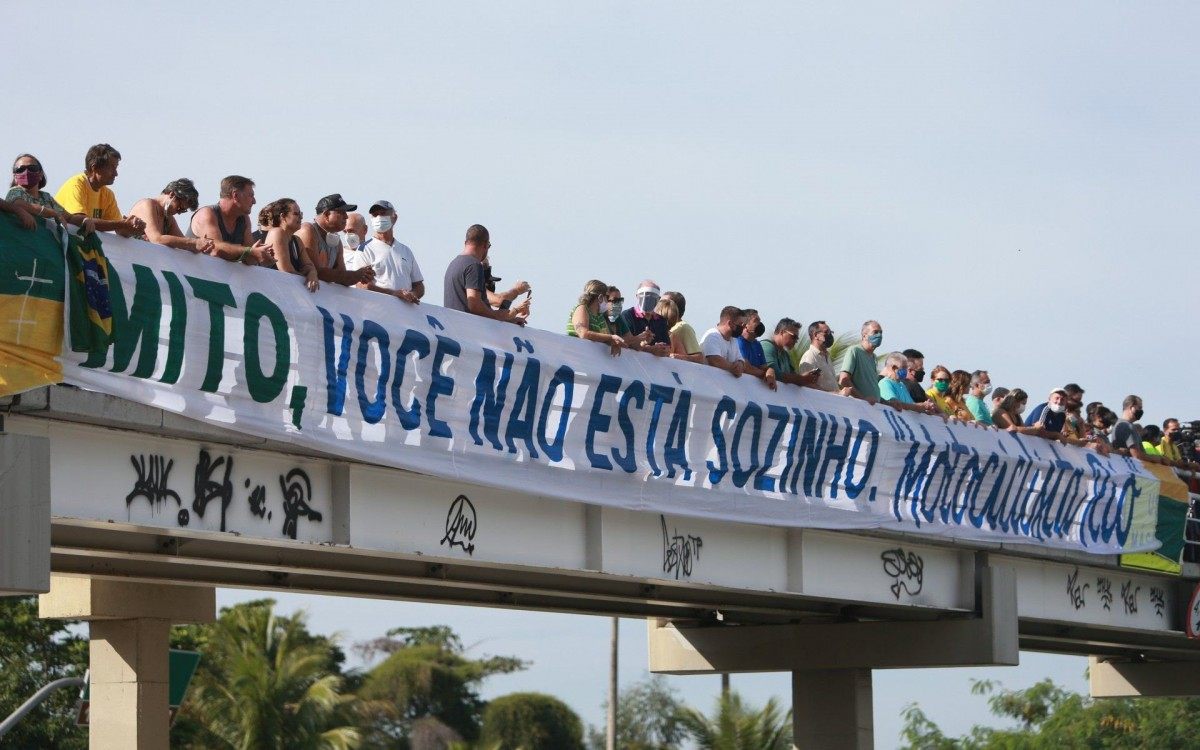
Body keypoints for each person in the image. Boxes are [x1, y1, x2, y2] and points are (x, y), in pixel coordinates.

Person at [53, 143, 144, 237]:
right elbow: (80, 221)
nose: (116, 173)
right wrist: (123, 224)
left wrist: (133, 227)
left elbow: (120, 230)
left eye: (116, 168)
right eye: (111, 168)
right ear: (94, 167)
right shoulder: (77, 184)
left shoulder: (108, 194)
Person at [444, 224, 525, 324]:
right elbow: (474, 305)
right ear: (485, 245)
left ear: (466, 242)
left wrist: (509, 320)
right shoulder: (474, 265)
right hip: (470, 330)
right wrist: (498, 316)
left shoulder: (454, 264)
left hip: (453, 327)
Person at [188, 175, 274, 265]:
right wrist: (251, 251)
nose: (254, 201)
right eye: (251, 195)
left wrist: (261, 254)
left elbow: (249, 259)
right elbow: (216, 250)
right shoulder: (207, 213)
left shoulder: (244, 219)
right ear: (235, 195)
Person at [7, 154, 97, 236]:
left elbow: (69, 218)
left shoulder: (46, 197)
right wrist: (51, 213)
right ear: (15, 176)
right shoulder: (14, 192)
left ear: (41, 175)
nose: (26, 172)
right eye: (20, 169)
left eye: (32, 168)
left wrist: (85, 220)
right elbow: (18, 204)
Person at [295, 194, 374, 287]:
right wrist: (355, 275)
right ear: (327, 215)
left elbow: (343, 279)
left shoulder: (336, 240)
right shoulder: (307, 230)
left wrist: (362, 275)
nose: (346, 217)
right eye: (341, 212)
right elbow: (316, 272)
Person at [359, 200, 423, 303]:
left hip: (406, 312)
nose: (379, 218)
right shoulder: (364, 249)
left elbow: (419, 285)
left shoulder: (405, 251)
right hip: (379, 311)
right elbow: (362, 285)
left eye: (383, 214)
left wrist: (412, 295)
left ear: (394, 217)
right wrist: (393, 294)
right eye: (375, 215)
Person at [127, 179, 214, 254]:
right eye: (179, 208)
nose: (179, 213)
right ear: (172, 195)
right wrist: (194, 243)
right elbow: (157, 239)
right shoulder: (147, 204)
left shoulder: (168, 219)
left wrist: (202, 246)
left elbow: (182, 241)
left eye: (183, 211)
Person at [261, 199, 319, 293]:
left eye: (301, 214)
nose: (300, 217)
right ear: (283, 216)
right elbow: (286, 271)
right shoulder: (277, 232)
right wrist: (305, 276)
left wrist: (312, 273)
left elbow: (309, 265)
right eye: (296, 214)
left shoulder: (296, 240)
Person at [568, 280, 624, 356]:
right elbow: (583, 334)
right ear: (600, 297)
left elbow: (605, 336)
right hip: (575, 356)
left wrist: (613, 342)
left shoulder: (600, 316)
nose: (608, 301)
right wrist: (611, 338)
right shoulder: (582, 308)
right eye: (606, 297)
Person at [761, 318, 817, 387]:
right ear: (782, 332)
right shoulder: (766, 346)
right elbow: (776, 374)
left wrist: (806, 379)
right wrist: (802, 378)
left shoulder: (785, 355)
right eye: (794, 337)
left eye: (797, 338)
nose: (796, 341)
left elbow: (792, 375)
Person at [838, 320, 884, 403]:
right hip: (859, 407)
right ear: (864, 335)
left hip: (871, 408)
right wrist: (863, 399)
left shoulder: (873, 357)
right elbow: (843, 380)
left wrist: (889, 403)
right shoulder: (855, 351)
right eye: (875, 332)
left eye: (881, 332)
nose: (879, 335)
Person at [701, 307, 747, 379]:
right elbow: (714, 360)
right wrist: (733, 368)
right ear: (730, 323)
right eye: (741, 324)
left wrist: (740, 365)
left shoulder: (734, 340)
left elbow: (740, 359)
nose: (743, 328)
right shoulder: (712, 336)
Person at [621, 280, 671, 346]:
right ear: (637, 296)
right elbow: (625, 342)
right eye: (644, 296)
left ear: (658, 299)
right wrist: (643, 342)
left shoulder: (661, 320)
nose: (648, 300)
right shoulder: (627, 315)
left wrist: (662, 347)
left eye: (652, 297)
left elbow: (667, 346)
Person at [798, 320, 838, 392]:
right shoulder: (809, 356)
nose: (830, 335)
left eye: (830, 332)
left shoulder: (827, 356)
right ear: (816, 335)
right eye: (826, 332)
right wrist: (834, 394)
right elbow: (807, 385)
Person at [662, 291, 703, 363]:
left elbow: (699, 358)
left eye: (663, 302)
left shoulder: (684, 328)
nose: (658, 305)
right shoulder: (656, 325)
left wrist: (678, 357)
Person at [1110, 395, 1145, 459]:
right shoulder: (1127, 426)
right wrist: (1156, 458)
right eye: (1139, 408)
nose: (1141, 411)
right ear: (1132, 407)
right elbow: (1136, 455)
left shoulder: (1119, 424)